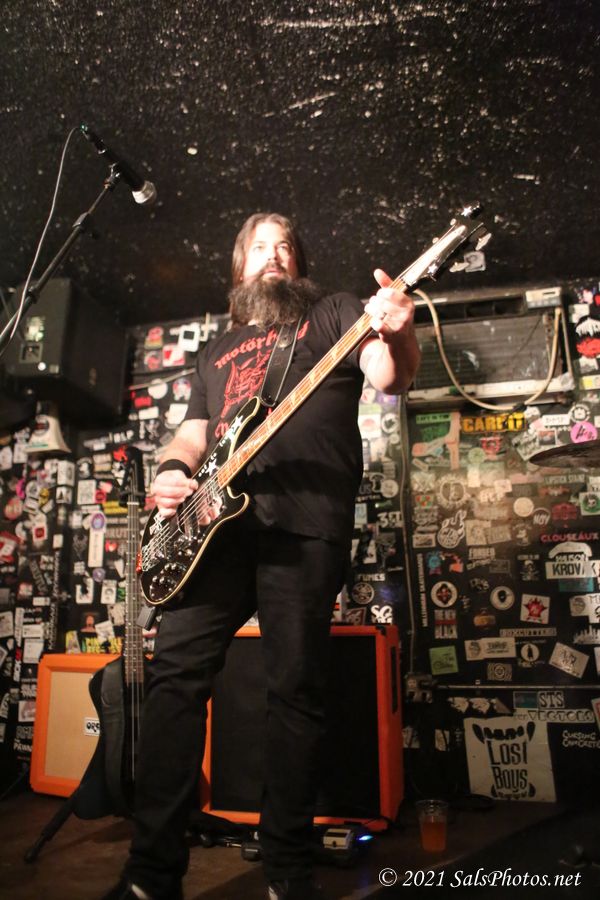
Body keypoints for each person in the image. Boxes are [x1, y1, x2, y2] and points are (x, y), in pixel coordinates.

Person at [104, 212, 420, 900]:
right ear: (239, 267)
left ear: (297, 264)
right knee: (174, 679)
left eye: (284, 247)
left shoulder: (334, 312)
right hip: (212, 530)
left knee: (294, 689)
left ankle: (287, 870)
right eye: (259, 247)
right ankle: (150, 874)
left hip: (305, 524)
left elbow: (387, 374)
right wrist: (171, 470)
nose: (272, 256)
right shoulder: (216, 350)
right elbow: (193, 431)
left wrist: (398, 331)